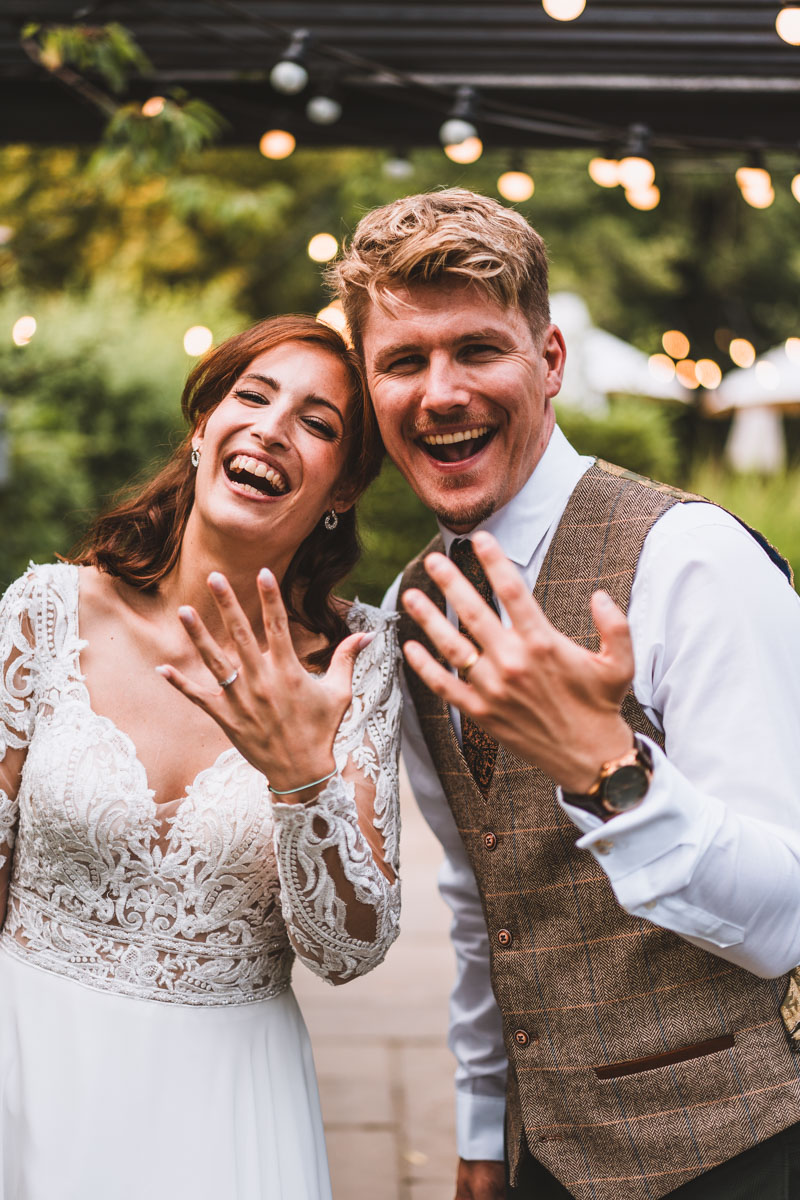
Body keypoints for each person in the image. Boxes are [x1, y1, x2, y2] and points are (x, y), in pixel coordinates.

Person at [330, 189, 800, 1200]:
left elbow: (784, 919)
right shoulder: (413, 607)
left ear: (548, 362)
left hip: (743, 1148)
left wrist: (609, 769)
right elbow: (478, 899)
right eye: (402, 363)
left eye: (477, 351)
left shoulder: (688, 559)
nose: (440, 392)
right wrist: (479, 1129)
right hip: (547, 1162)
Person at [0, 314, 402, 1200]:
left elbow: (350, 951)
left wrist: (304, 779)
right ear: (202, 431)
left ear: (342, 487)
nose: (271, 427)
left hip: (224, 1102)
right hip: (30, 1062)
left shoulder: (353, 664)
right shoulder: (46, 613)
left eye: (317, 422)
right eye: (251, 397)